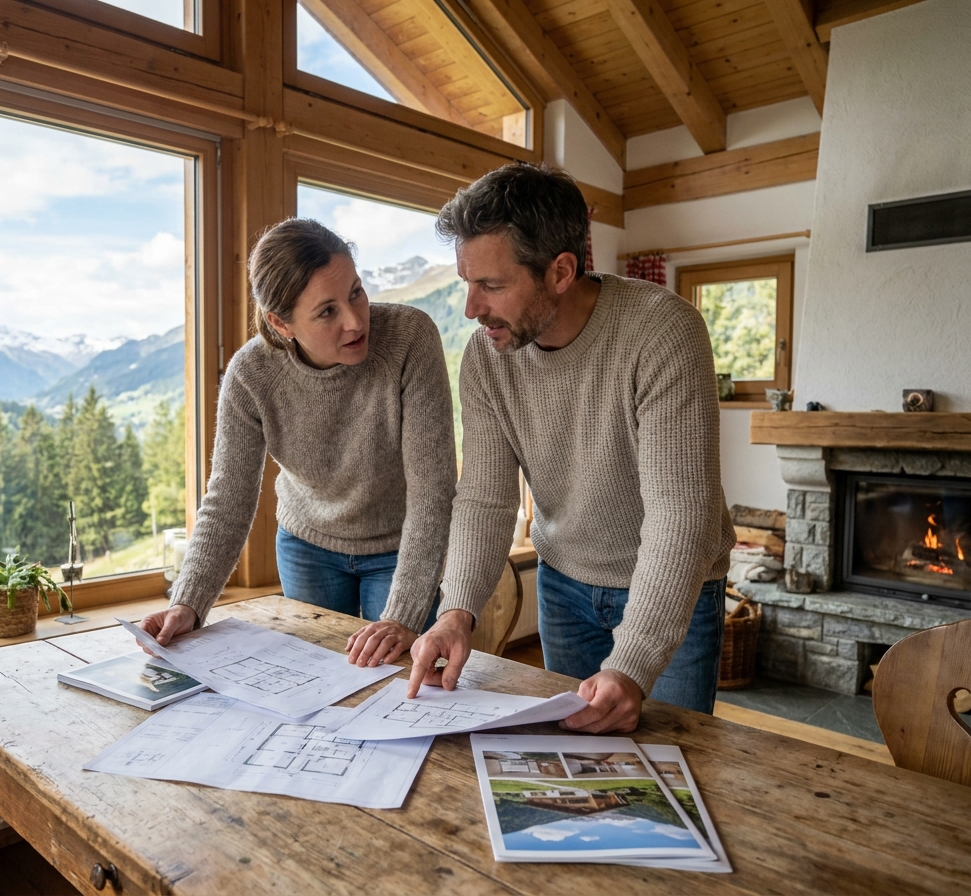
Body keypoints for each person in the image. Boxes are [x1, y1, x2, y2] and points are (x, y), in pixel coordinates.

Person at [408, 163, 735, 732]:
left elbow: (681, 513)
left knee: (674, 765)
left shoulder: (662, 331)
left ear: (560, 271)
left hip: (671, 587)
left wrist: (632, 664)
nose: (470, 308)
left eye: (491, 285)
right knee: (576, 757)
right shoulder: (486, 359)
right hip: (564, 585)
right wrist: (456, 610)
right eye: (467, 282)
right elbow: (486, 500)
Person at [139, 218, 457, 667]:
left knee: (400, 678)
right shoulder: (251, 375)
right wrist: (188, 602)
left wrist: (404, 615)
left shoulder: (410, 338)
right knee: (315, 679)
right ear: (281, 323)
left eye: (356, 292)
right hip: (309, 548)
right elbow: (227, 497)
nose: (354, 320)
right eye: (327, 311)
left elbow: (433, 490)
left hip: (401, 546)